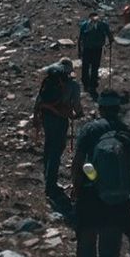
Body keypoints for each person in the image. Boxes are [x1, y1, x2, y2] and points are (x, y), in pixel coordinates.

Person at [71, 90, 130, 257]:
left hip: (90, 198)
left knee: (86, 249)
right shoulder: (127, 133)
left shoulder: (90, 130)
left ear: (100, 107)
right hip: (117, 204)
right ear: (118, 107)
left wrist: (76, 188)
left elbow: (78, 163)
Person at [33, 57, 82, 204]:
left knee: (48, 146)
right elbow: (76, 105)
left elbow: (39, 99)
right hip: (60, 119)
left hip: (46, 118)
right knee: (57, 148)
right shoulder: (72, 86)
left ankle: (47, 177)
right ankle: (51, 186)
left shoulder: (48, 80)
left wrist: (36, 117)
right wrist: (78, 113)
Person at [78, 13, 113, 100]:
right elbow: (109, 34)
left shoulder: (85, 24)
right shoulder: (103, 24)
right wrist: (110, 41)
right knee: (95, 66)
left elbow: (80, 38)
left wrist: (79, 50)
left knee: (86, 66)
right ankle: (92, 84)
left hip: (87, 48)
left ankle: (86, 83)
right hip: (97, 48)